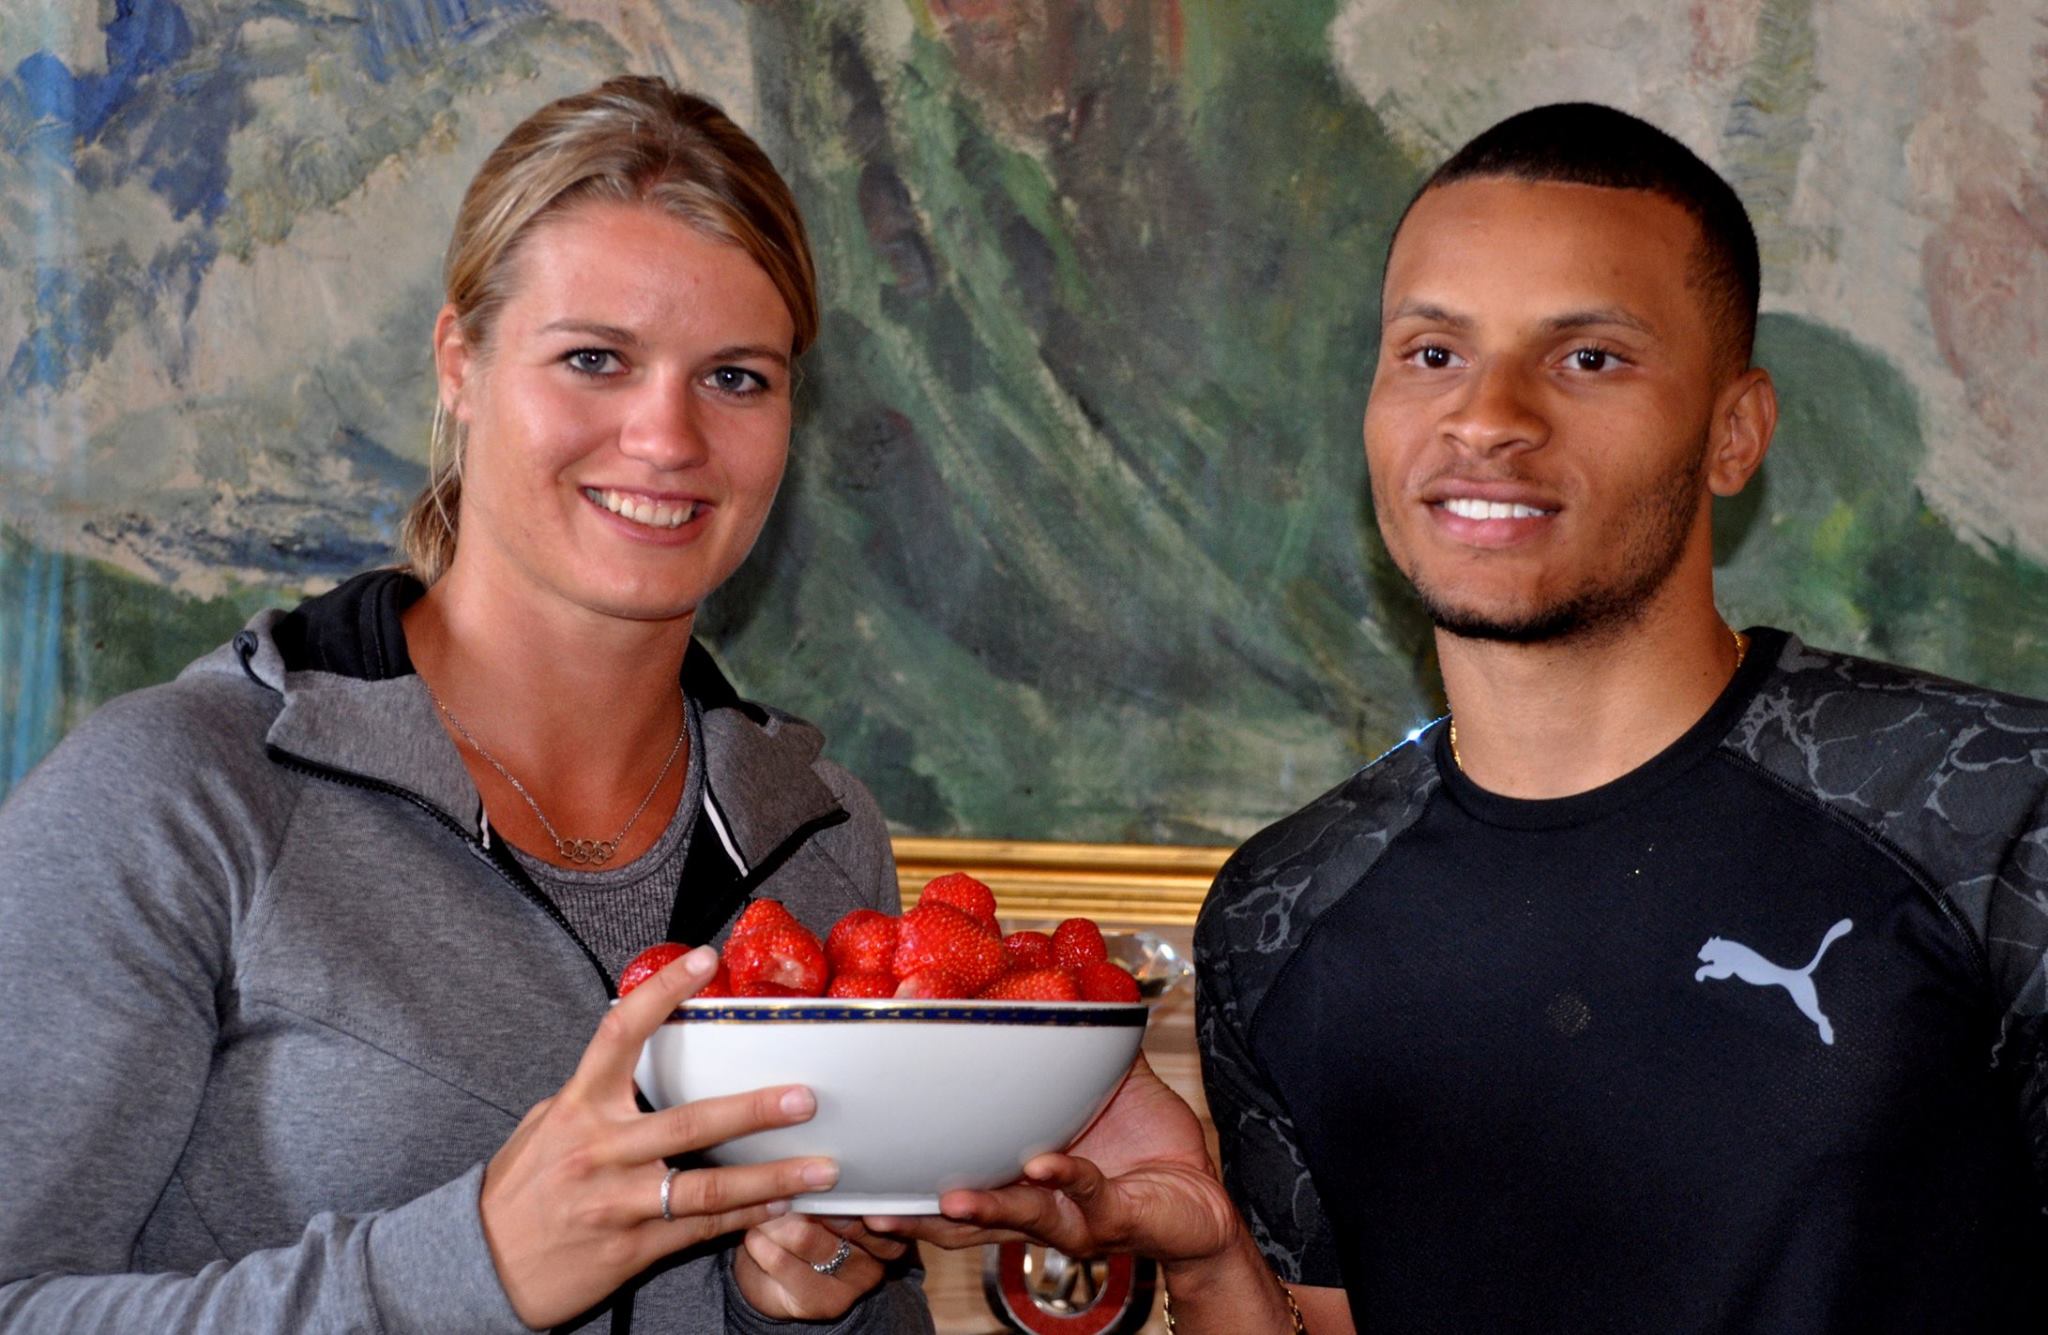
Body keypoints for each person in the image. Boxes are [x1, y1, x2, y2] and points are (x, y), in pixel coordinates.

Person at [881, 102, 2048, 1332]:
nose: (1488, 417)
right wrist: (1216, 1265)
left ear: (1731, 431)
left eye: (1586, 358)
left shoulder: (1992, 810)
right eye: (1432, 353)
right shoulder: (1281, 913)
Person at [0, 76, 931, 1333]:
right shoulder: (178, 793)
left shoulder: (824, 841)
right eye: (593, 359)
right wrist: (472, 1266)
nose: (666, 437)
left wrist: (798, 1302)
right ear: (461, 364)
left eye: (734, 377)